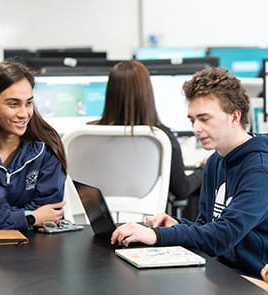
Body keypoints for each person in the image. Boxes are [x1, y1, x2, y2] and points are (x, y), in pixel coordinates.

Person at [111, 67, 268, 281]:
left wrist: (157, 235)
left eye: (204, 119)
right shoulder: (216, 160)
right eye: (192, 119)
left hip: (251, 280)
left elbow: (222, 236)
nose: (195, 128)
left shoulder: (259, 168)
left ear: (234, 117)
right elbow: (207, 226)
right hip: (221, 270)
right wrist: (177, 224)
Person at [89, 60, 205, 216]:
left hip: (95, 222)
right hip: (144, 227)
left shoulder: (87, 134)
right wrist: (203, 169)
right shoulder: (161, 137)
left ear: (109, 92)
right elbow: (181, 190)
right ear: (147, 93)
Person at [0, 60, 67, 234]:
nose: (23, 113)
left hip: (32, 248)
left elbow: (49, 213)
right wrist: (28, 217)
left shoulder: (47, 146)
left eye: (28, 103)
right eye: (13, 104)